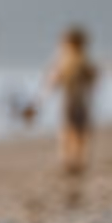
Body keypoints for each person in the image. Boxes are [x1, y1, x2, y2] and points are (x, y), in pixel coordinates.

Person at [47, 26, 98, 175]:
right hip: (82, 101)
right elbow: (93, 80)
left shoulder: (64, 62)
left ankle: (68, 160)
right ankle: (78, 160)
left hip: (69, 102)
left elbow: (53, 82)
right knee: (80, 133)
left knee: (67, 131)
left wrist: (45, 94)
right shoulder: (85, 61)